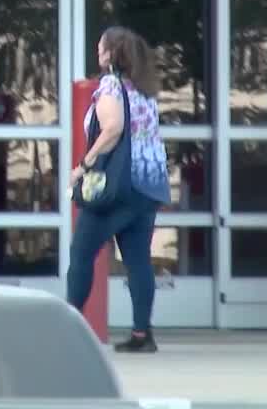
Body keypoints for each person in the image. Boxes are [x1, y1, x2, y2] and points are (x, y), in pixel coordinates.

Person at [66, 26, 170, 353]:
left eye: (101, 48)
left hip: (116, 186)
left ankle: (69, 329)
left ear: (112, 53)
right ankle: (142, 334)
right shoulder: (144, 90)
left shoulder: (110, 84)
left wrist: (84, 165)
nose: (98, 53)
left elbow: (112, 129)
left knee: (81, 253)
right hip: (147, 185)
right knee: (138, 260)